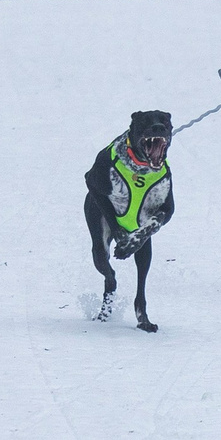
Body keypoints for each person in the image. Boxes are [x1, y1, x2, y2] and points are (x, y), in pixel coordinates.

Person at [82, 109, 174, 332]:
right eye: (148, 125)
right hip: (103, 207)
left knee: (144, 234)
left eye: (163, 126)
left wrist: (139, 235)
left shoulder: (161, 173)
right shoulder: (111, 159)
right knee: (101, 257)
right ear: (133, 131)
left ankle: (141, 307)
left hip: (139, 218)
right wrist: (115, 227)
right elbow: (91, 181)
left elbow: (167, 210)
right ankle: (110, 281)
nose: (157, 128)